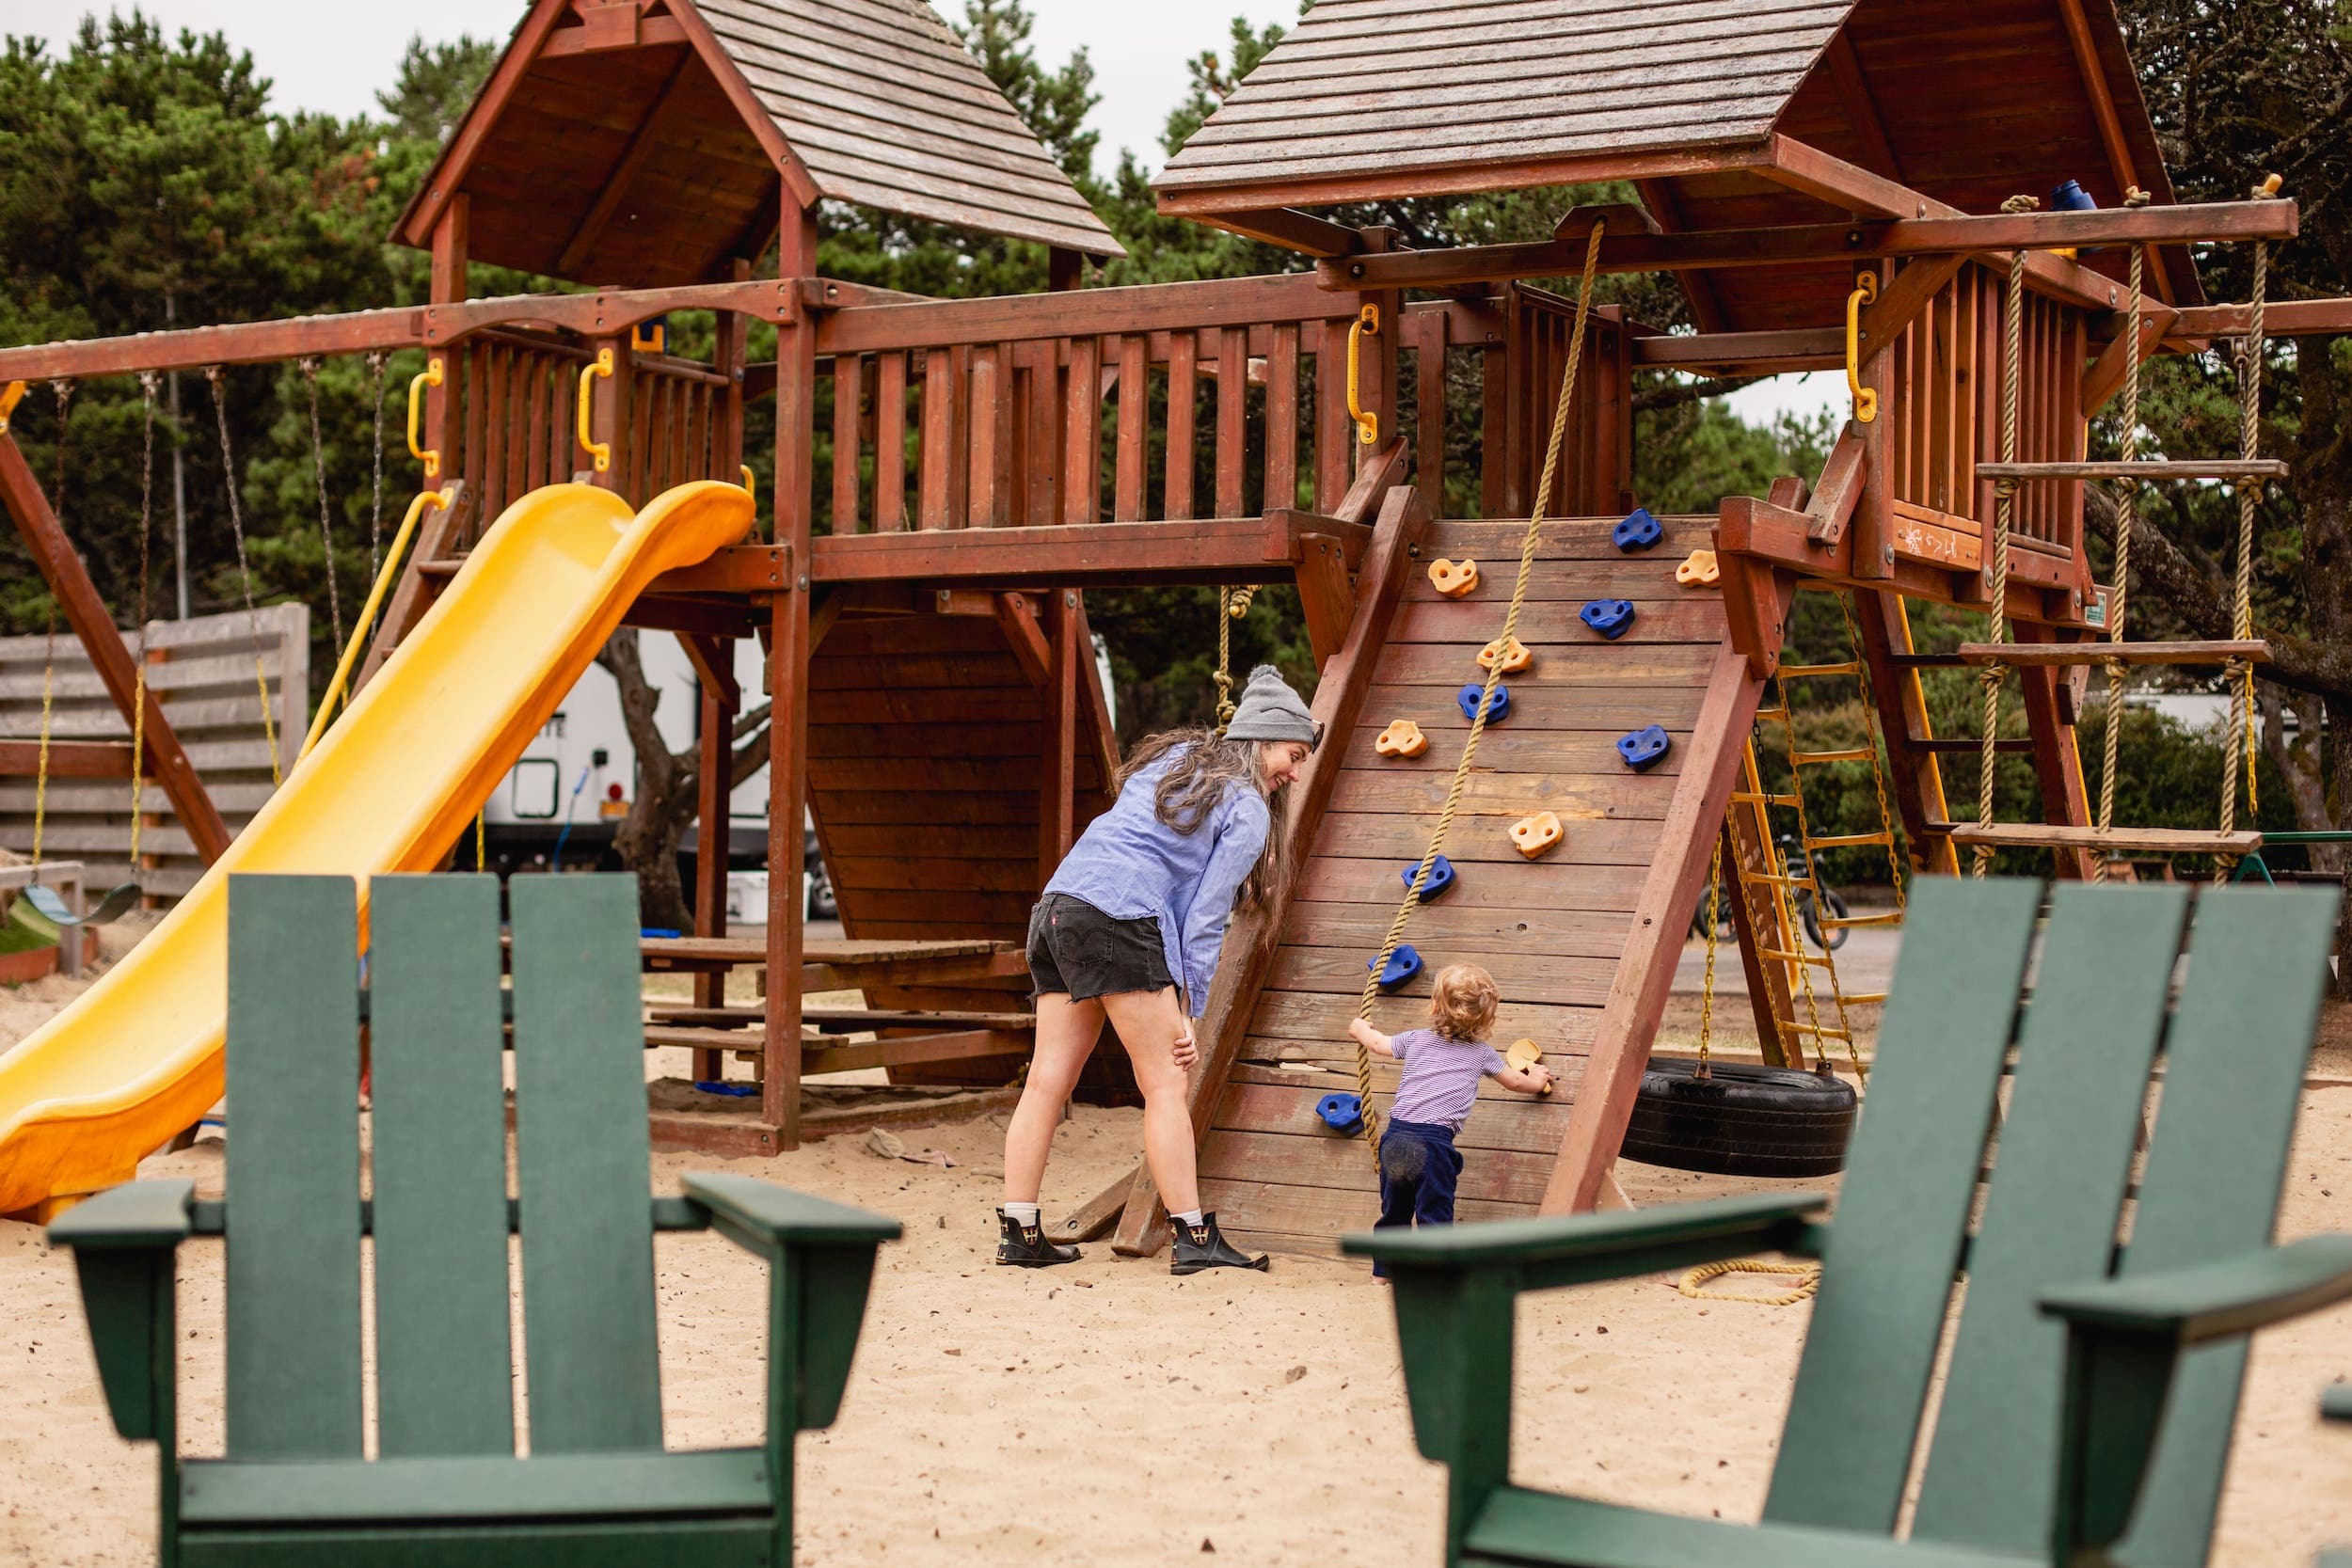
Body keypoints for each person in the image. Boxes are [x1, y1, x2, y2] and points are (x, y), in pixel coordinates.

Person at [998, 665, 1318, 1275]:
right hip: (1121, 918)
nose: (1293, 772)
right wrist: (1190, 1007)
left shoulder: (1175, 761)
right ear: (1259, 739)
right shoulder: (1247, 806)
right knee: (1167, 1084)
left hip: (1060, 909)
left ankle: (1020, 1228)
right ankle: (1194, 1235)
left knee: (1046, 1080)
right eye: (1291, 754)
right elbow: (1203, 917)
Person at [1346, 963, 1555, 1277]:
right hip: (1433, 1145)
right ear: (1487, 1017)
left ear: (1434, 1005)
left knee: (1395, 1211)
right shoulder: (1482, 1054)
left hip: (1397, 1139)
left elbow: (1377, 1044)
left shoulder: (1416, 1039)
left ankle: (1384, 1271)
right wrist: (1537, 1080)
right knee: (1434, 1214)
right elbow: (1514, 1081)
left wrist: (1359, 1028)